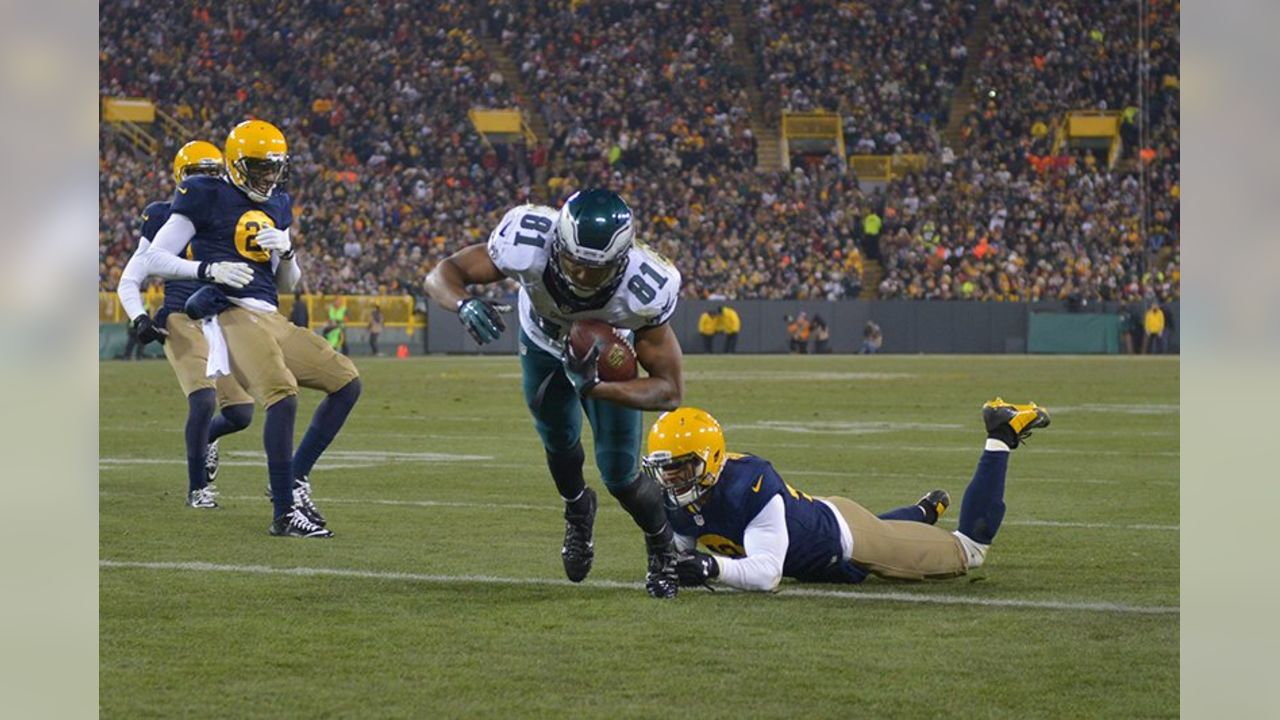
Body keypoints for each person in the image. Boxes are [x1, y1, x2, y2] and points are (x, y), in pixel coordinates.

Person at [424, 189, 686, 599]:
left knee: (620, 475)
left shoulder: (645, 286)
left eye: (594, 271)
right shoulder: (527, 241)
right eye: (573, 262)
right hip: (542, 347)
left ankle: (662, 546)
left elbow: (670, 390)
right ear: (557, 244)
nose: (580, 277)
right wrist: (462, 304)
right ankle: (578, 509)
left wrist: (599, 386)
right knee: (558, 440)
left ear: (620, 263)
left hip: (604, 361)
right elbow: (443, 273)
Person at [144, 120, 362, 538]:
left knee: (347, 382)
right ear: (236, 164)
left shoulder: (278, 203)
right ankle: (284, 514)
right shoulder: (205, 194)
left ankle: (294, 479)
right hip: (231, 312)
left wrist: (290, 254)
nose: (268, 176)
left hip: (271, 314)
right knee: (282, 396)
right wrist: (205, 268)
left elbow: (287, 283)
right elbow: (155, 258)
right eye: (259, 167)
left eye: (273, 167)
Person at [643, 401, 1052, 592]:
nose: (673, 478)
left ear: (710, 460)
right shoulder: (680, 495)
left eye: (682, 466)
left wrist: (710, 569)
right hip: (824, 520)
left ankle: (1002, 432)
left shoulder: (747, 483)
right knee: (884, 526)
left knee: (969, 551)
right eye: (666, 468)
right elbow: (680, 558)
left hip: (847, 543)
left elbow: (767, 572)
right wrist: (672, 569)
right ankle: (923, 511)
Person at [115, 141, 257, 509]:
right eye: (198, 175)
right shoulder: (164, 216)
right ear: (182, 179)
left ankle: (206, 439)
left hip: (219, 320)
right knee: (204, 399)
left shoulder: (231, 214)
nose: (206, 183)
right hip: (180, 316)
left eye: (212, 174)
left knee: (241, 413)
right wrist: (140, 316)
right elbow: (130, 278)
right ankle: (198, 490)